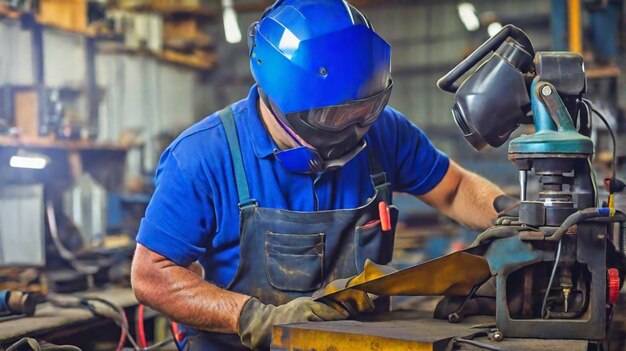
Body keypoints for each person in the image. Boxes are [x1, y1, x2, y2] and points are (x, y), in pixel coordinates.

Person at [130, 0, 510, 350]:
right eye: (333, 117)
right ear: (276, 100)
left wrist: (509, 218)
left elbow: (453, 188)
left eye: (368, 109)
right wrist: (255, 317)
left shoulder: (384, 131)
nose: (355, 130)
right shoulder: (202, 156)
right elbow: (151, 275)